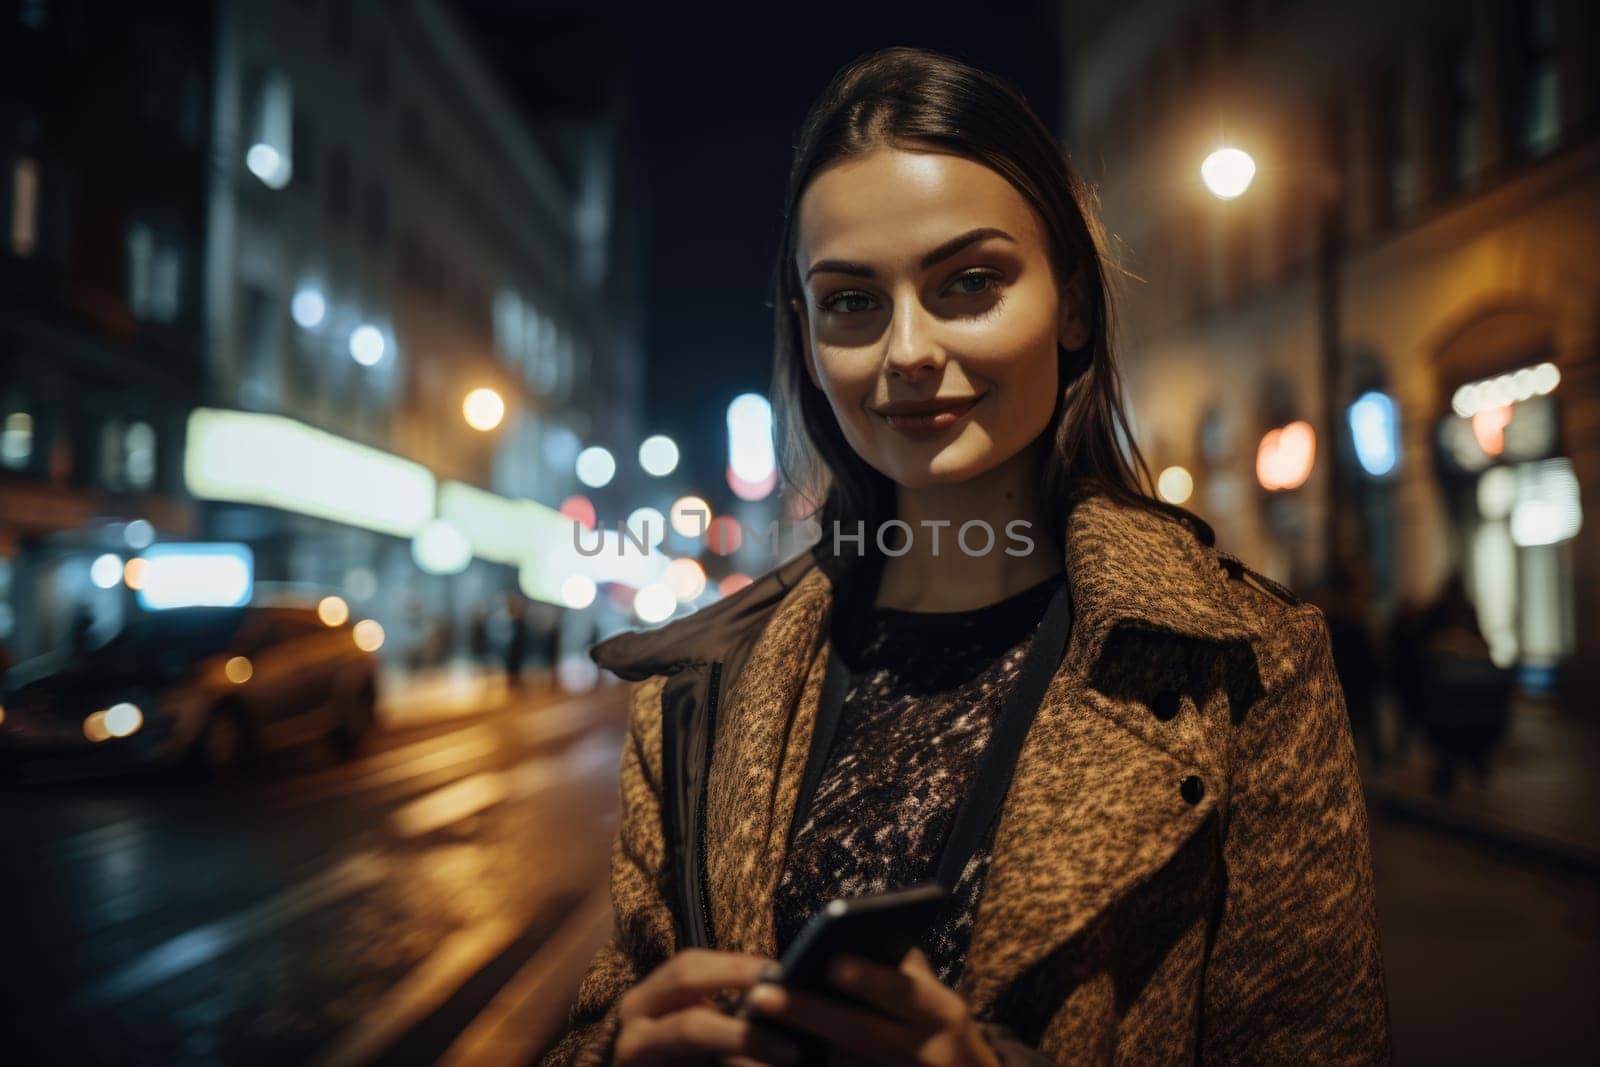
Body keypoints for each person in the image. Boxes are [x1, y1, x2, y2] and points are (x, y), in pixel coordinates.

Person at [542, 47, 1390, 1066]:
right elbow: (602, 1016)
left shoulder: (1245, 661)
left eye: (970, 282)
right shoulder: (702, 681)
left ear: (1071, 303)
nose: (905, 350)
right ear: (807, 335)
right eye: (853, 301)